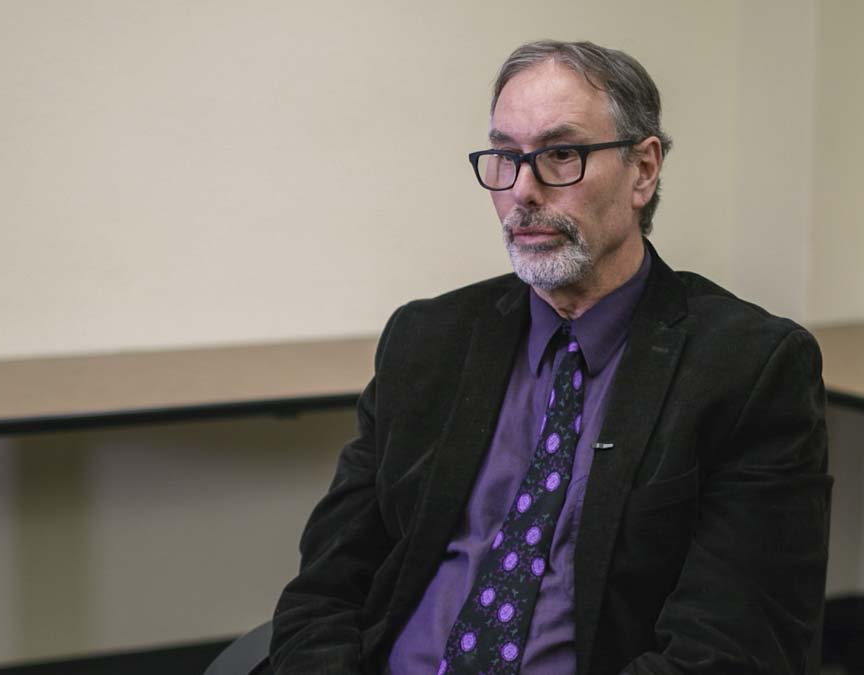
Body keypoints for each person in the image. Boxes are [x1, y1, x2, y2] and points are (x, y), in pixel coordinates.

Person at [270, 40, 831, 675]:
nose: (524, 190)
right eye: (506, 157)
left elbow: (731, 650)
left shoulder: (749, 368)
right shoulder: (428, 341)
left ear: (643, 170)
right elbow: (324, 592)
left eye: (561, 154)